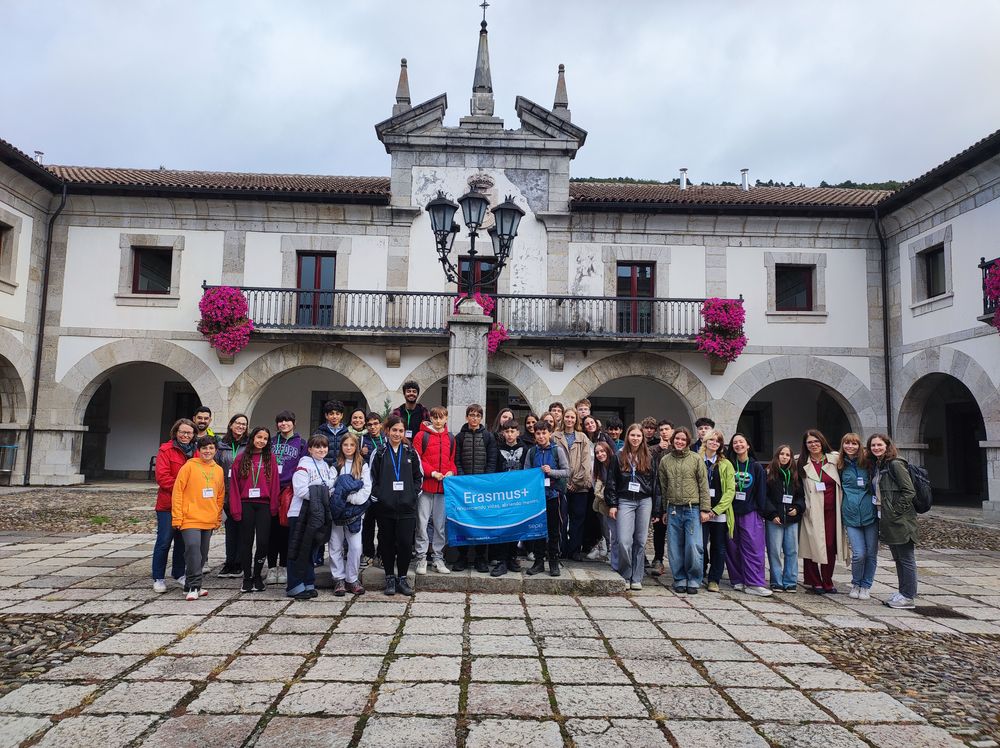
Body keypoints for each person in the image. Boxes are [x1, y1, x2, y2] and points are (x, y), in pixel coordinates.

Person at [370, 416, 423, 596]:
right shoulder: (379, 452)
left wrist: (412, 495)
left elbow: (419, 477)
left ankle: (402, 577)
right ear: (387, 431)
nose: (397, 434)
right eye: (394, 430)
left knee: (406, 544)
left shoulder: (410, 453)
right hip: (385, 508)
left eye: (401, 431)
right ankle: (389, 578)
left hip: (407, 508)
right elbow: (372, 479)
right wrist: (380, 496)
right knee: (386, 543)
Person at [868, 433, 919, 609]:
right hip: (888, 518)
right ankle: (902, 592)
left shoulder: (896, 464)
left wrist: (896, 512)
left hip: (900, 519)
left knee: (906, 558)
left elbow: (909, 491)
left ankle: (909, 596)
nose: (876, 448)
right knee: (898, 557)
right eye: (873, 445)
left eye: (879, 445)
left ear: (887, 445)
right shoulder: (880, 465)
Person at [171, 435, 225, 600]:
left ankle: (189, 585)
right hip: (189, 517)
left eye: (211, 448)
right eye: (204, 448)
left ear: (215, 450)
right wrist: (177, 516)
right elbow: (178, 492)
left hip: (208, 518)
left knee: (202, 553)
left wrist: (217, 517)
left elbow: (220, 495)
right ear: (198, 450)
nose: (207, 451)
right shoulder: (189, 466)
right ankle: (195, 585)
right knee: (192, 548)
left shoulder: (218, 470)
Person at [606, 423, 658, 590]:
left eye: (638, 436)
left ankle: (637, 577)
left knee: (640, 540)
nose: (635, 438)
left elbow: (656, 484)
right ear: (627, 436)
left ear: (643, 438)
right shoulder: (618, 456)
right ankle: (626, 573)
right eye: (632, 435)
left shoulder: (649, 456)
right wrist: (612, 504)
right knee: (624, 540)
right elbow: (611, 482)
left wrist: (657, 509)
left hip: (644, 501)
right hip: (625, 500)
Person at [658, 427, 710, 594]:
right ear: (672, 441)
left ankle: (694, 578)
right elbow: (663, 487)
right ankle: (679, 578)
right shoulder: (665, 460)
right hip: (673, 509)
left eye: (683, 439)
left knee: (693, 545)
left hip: (692, 509)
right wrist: (664, 510)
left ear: (687, 442)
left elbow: (703, 485)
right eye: (677, 439)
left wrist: (705, 509)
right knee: (675, 546)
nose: (679, 442)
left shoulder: (696, 459)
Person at [229, 426, 280, 593]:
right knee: (246, 541)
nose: (261, 441)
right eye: (259, 437)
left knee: (263, 542)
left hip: (264, 505)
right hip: (246, 504)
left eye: (265, 439)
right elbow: (234, 486)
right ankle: (247, 577)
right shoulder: (241, 458)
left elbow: (274, 484)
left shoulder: (270, 458)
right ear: (252, 438)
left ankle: (257, 575)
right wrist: (235, 508)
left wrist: (274, 506)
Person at [798, 429, 845, 594]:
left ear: (822, 441)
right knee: (811, 545)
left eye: (816, 441)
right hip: (811, 511)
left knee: (829, 546)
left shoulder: (835, 459)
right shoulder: (801, 462)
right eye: (809, 442)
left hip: (832, 511)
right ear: (805, 445)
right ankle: (815, 581)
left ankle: (827, 581)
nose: (813, 445)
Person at [288, 435, 335, 600]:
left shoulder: (326, 466)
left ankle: (308, 581)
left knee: (311, 550)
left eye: (324, 447)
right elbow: (301, 491)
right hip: (300, 512)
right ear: (310, 449)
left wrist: (323, 491)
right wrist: (323, 493)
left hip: (317, 513)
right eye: (317, 447)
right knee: (298, 549)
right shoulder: (304, 466)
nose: (321, 450)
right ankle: (294, 585)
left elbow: (331, 486)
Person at [725, 433, 771, 596]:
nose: (738, 445)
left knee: (753, 547)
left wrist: (760, 510)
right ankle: (737, 579)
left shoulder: (756, 467)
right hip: (731, 511)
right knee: (732, 547)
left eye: (741, 442)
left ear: (748, 445)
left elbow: (761, 491)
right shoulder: (729, 464)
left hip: (750, 512)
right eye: (735, 442)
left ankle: (754, 583)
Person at [453, 403, 498, 573]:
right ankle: (462, 556)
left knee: (482, 522)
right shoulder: (459, 437)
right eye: (471, 415)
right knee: (463, 521)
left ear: (481, 418)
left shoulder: (488, 436)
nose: (474, 418)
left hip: (482, 487)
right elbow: (456, 459)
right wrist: (464, 478)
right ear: (467, 417)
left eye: (478, 415)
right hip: (464, 487)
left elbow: (492, 460)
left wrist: (484, 480)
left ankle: (481, 557)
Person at [152, 418, 195, 593]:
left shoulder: (196, 452)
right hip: (168, 505)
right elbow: (162, 477)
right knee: (164, 541)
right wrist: (183, 489)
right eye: (182, 432)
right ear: (176, 432)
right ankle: (158, 577)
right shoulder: (166, 450)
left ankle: (179, 573)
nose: (186, 435)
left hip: (189, 505)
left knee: (182, 542)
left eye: (189, 433)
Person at [413, 406, 456, 575]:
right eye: (435, 417)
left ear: (446, 419)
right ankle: (421, 558)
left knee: (440, 525)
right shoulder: (421, 435)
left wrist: (452, 471)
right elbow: (417, 459)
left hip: (443, 489)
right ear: (430, 418)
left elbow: (452, 460)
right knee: (422, 524)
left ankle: (438, 558)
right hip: (426, 487)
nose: (438, 421)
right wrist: (432, 472)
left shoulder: (450, 438)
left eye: (442, 418)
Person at [524, 420, 570, 577]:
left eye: (544, 433)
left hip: (554, 496)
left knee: (554, 530)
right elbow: (526, 473)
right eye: (538, 433)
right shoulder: (531, 452)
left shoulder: (558, 450)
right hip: (537, 498)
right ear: (534, 435)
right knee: (537, 529)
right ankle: (538, 562)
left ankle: (554, 562)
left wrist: (552, 472)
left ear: (550, 433)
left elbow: (567, 471)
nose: (541, 436)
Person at [329, 433, 372, 596]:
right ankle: (338, 578)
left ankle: (352, 578)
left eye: (351, 445)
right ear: (341, 447)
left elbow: (365, 489)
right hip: (338, 512)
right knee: (335, 545)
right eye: (345, 445)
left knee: (355, 547)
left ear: (356, 447)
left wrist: (348, 497)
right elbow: (331, 488)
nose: (348, 448)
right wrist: (341, 494)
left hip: (355, 512)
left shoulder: (363, 466)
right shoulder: (336, 466)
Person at [268, 411, 306, 586]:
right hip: (271, 490)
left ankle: (283, 566)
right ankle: (271, 568)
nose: (284, 424)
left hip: (289, 491)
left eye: (287, 421)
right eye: (280, 421)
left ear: (294, 423)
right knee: (270, 531)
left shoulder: (301, 443)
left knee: (285, 530)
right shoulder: (271, 442)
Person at [838, 433, 877, 600]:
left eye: (854, 444)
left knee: (871, 553)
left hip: (870, 513)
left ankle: (866, 585)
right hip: (851, 513)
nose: (850, 447)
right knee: (858, 553)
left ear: (860, 446)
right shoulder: (839, 464)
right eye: (847, 443)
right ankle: (856, 582)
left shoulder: (868, 463)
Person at [762, 444, 805, 593]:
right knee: (774, 551)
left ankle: (790, 581)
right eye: (782, 454)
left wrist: (797, 508)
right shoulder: (769, 474)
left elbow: (801, 496)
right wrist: (772, 514)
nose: (784, 457)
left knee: (792, 551)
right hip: (775, 519)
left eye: (787, 455)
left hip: (791, 519)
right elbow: (765, 497)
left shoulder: (795, 475)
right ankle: (776, 581)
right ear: (777, 456)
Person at [700, 429, 735, 593]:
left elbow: (730, 491)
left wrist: (715, 511)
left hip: (718, 513)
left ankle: (714, 579)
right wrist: (703, 510)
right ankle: (700, 572)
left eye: (718, 441)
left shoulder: (726, 464)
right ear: (705, 441)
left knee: (718, 546)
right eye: (711, 440)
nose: (714, 443)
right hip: (700, 512)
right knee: (699, 544)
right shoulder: (697, 460)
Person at [491, 419, 527, 576]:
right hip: (502, 493)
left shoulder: (525, 449)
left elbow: (528, 470)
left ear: (518, 432)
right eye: (507, 431)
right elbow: (493, 469)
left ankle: (512, 557)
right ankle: (501, 560)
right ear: (503, 433)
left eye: (513, 431)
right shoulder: (498, 448)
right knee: (502, 526)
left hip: (518, 494)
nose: (510, 434)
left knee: (516, 526)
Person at [215, 413, 249, 579]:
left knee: (243, 530)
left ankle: (240, 562)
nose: (241, 426)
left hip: (243, 494)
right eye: (238, 423)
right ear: (230, 425)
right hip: (227, 493)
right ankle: (229, 562)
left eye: (244, 424)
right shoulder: (221, 446)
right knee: (230, 530)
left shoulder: (248, 446)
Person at [562, 408, 594, 561]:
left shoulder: (582, 437)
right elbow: (554, 461)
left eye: (572, 417)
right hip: (561, 486)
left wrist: (574, 482)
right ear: (563, 418)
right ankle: (562, 549)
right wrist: (565, 482)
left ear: (576, 420)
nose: (569, 420)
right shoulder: (555, 437)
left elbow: (586, 463)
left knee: (578, 520)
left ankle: (575, 550)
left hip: (579, 487)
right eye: (567, 417)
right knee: (561, 519)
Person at [649, 420, 674, 577]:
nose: (664, 432)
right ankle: (658, 559)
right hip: (658, 493)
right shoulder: (653, 449)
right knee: (659, 529)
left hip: (676, 494)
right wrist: (659, 448)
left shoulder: (678, 447)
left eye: (667, 429)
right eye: (662, 430)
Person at [361, 412, 386, 567]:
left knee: (384, 524)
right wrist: (360, 453)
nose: (373, 427)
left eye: (376, 423)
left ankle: (383, 553)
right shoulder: (361, 440)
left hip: (383, 487)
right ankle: (368, 553)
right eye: (369, 424)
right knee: (368, 524)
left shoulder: (387, 439)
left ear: (381, 425)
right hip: (367, 488)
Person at [592, 440, 618, 573]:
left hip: (616, 503)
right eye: (597, 452)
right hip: (605, 504)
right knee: (609, 531)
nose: (600, 454)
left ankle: (617, 559)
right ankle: (612, 556)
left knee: (618, 533)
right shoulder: (598, 467)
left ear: (608, 450)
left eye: (602, 451)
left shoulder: (615, 463)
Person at [315, 400, 348, 467]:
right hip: (323, 468)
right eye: (331, 414)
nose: (334, 416)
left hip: (341, 468)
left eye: (337, 414)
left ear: (341, 415)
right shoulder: (319, 433)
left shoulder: (346, 433)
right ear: (326, 416)